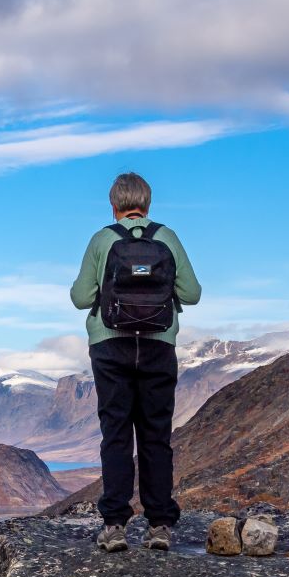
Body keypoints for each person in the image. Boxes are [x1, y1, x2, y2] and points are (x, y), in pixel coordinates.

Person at [70, 172, 201, 552]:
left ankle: (114, 527)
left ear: (113, 206)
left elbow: (81, 298)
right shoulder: (167, 238)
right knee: (155, 434)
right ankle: (159, 525)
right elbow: (191, 293)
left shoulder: (102, 240)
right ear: (148, 204)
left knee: (116, 433)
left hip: (111, 349)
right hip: (159, 347)